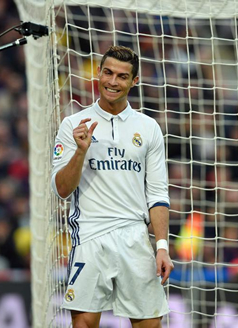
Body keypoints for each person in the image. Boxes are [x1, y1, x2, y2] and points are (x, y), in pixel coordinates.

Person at [51, 45, 174, 328]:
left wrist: (162, 246)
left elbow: (157, 194)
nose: (112, 81)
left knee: (150, 325)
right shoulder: (73, 124)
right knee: (83, 324)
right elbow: (61, 189)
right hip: (90, 236)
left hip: (135, 236)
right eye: (107, 72)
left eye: (121, 76)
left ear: (134, 81)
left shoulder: (148, 128)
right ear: (98, 73)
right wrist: (80, 152)